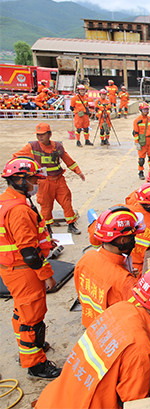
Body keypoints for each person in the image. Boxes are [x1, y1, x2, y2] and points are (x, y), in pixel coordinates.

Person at [36, 263, 150, 408]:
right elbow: (137, 404)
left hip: (53, 400)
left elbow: (118, 351)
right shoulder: (139, 348)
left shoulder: (120, 309)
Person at [0, 157, 61, 378]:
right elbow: (28, 252)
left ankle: (28, 349)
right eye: (33, 179)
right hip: (24, 271)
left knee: (21, 312)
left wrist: (45, 242)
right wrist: (47, 276)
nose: (36, 183)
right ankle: (36, 365)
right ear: (18, 179)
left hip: (12, 269)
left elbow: (19, 238)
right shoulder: (18, 209)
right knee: (32, 319)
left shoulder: (8, 201)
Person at [75, 206, 144, 327]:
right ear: (123, 240)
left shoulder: (86, 258)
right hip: (115, 331)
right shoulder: (125, 281)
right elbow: (142, 315)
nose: (134, 240)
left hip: (91, 324)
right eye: (132, 236)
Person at [14, 123, 85, 234]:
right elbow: (17, 157)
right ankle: (48, 228)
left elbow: (67, 160)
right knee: (46, 205)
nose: (40, 137)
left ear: (50, 134)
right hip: (43, 182)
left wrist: (78, 172)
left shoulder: (57, 147)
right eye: (38, 135)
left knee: (66, 201)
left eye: (42, 134)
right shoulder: (32, 147)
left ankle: (71, 225)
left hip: (59, 179)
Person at [133, 102, 150, 180]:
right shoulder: (137, 120)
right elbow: (135, 133)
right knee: (141, 159)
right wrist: (137, 143)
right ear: (141, 110)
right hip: (142, 142)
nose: (146, 111)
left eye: (147, 109)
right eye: (144, 109)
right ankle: (140, 172)